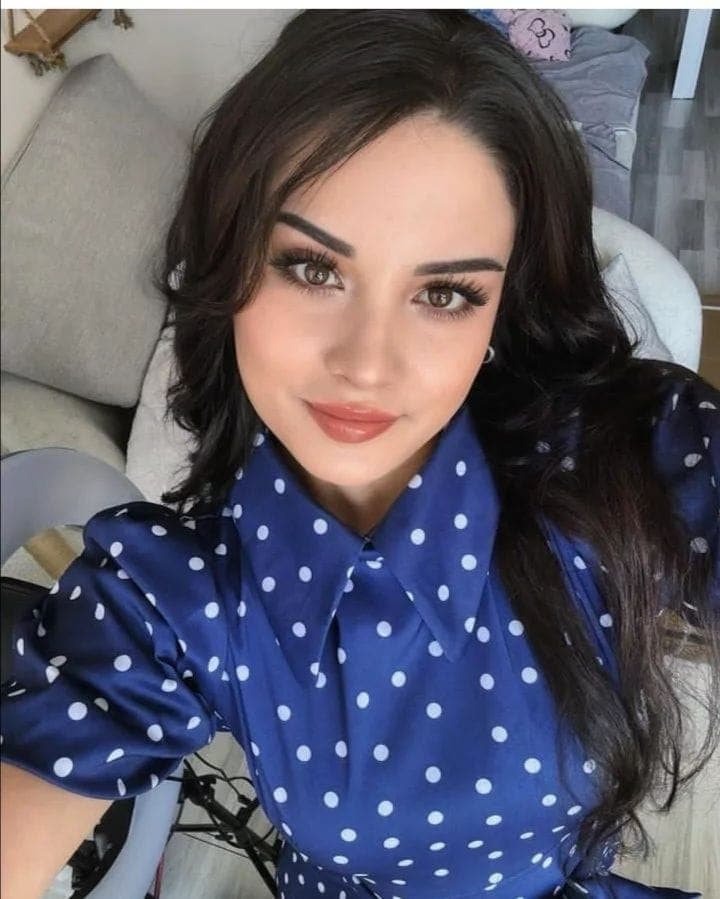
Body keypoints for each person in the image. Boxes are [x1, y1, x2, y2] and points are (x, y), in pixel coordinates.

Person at [1, 10, 718, 899]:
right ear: (231, 260)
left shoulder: (632, 451)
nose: (367, 365)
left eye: (445, 292)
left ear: (503, 305)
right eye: (313, 268)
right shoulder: (172, 597)